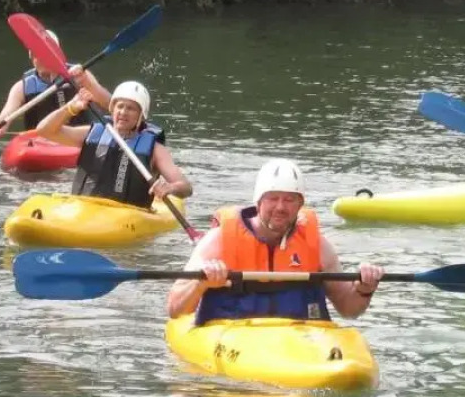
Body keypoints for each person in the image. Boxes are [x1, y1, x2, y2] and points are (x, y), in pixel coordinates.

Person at [166, 159, 383, 324]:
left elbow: (348, 309)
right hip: (233, 339)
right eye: (273, 198)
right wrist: (200, 283)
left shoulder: (318, 247)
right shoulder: (218, 241)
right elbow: (175, 309)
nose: (280, 207)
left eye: (289, 199)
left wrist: (364, 288)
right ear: (258, 201)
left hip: (299, 340)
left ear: (300, 205)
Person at [33, 80, 192, 207]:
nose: (123, 112)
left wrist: (170, 188)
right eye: (119, 106)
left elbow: (185, 187)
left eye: (131, 108)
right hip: (83, 208)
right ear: (112, 109)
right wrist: (70, 108)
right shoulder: (91, 134)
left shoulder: (155, 149)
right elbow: (44, 130)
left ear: (141, 116)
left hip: (127, 216)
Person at [0, 30, 111, 138]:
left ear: (57, 55)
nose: (43, 59)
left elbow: (109, 104)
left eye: (47, 54)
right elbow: (7, 114)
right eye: (38, 54)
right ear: (32, 57)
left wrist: (88, 84)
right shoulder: (21, 87)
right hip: (40, 142)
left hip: (78, 138)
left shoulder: (80, 75)